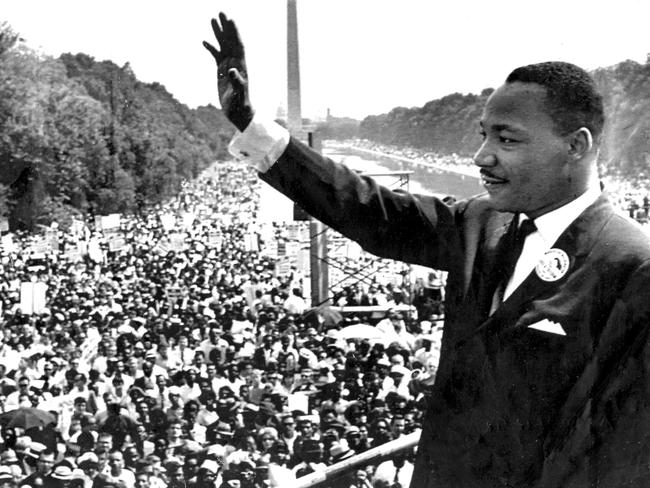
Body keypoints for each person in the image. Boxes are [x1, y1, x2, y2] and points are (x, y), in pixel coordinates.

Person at [204, 13, 650, 487]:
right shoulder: (481, 220)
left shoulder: (634, 267)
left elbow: (623, 456)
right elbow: (368, 210)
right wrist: (251, 126)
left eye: (507, 138)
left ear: (576, 147)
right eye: (483, 135)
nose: (481, 156)